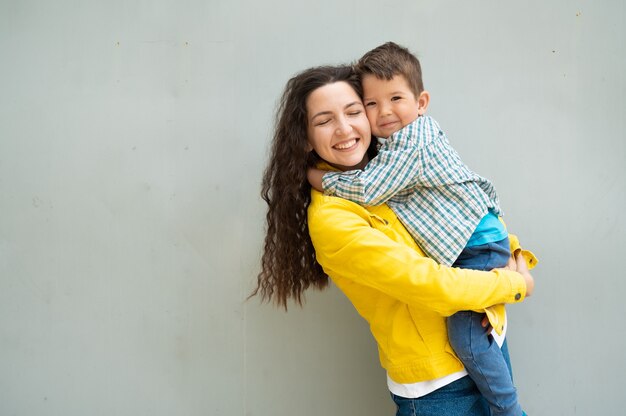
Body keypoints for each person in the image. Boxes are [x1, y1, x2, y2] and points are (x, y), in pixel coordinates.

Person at [252, 64, 536, 415]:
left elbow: (465, 208)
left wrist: (511, 252)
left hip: (485, 341)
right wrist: (512, 284)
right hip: (440, 388)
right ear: (306, 138)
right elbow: (429, 284)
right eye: (324, 120)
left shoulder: (390, 173)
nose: (344, 128)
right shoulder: (332, 219)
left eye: (354, 111)